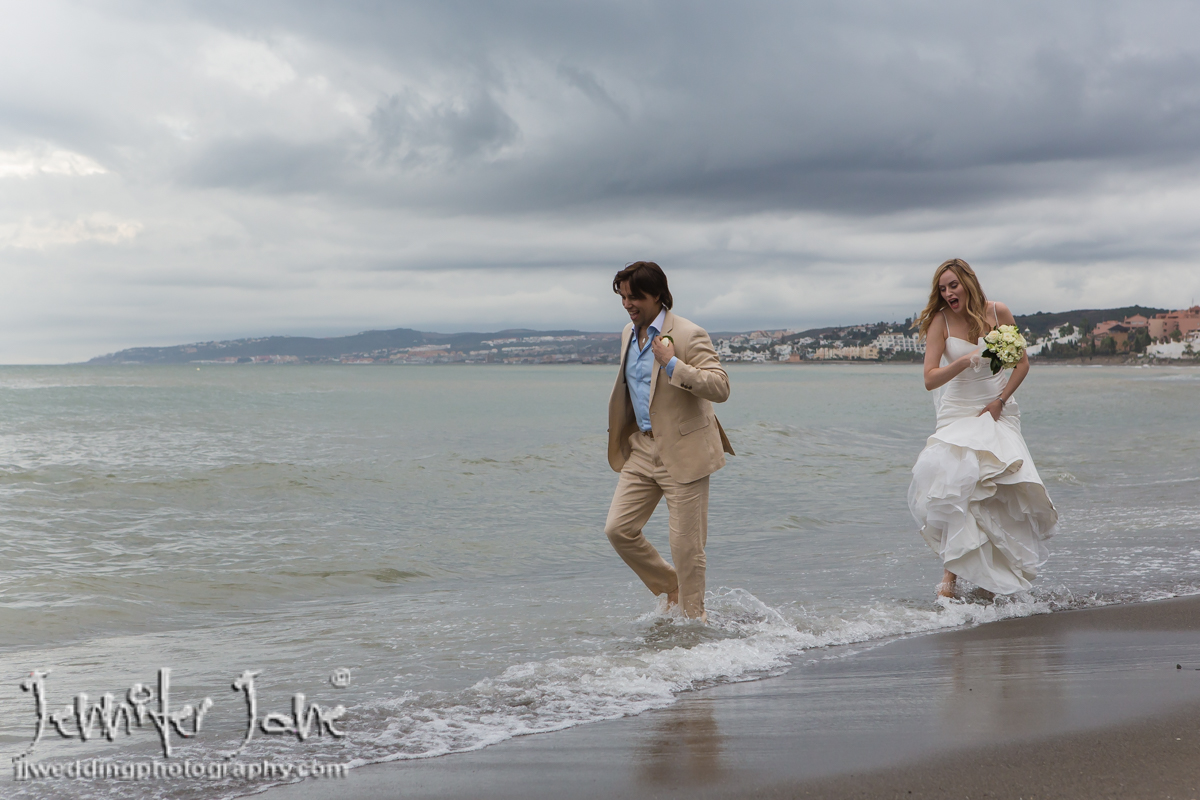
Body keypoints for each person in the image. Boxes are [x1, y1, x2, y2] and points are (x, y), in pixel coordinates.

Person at [908, 258, 1058, 598]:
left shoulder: (998, 312)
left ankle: (993, 581)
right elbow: (930, 379)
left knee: (998, 489)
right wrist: (962, 361)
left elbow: (1022, 364)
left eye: (953, 286)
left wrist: (1000, 401)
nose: (948, 293)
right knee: (961, 486)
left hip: (998, 408)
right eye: (942, 288)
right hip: (958, 412)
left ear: (968, 282)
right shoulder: (939, 322)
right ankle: (950, 578)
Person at [604, 261, 734, 621]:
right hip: (642, 449)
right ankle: (671, 587)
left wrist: (673, 364)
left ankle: (695, 625)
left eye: (636, 297)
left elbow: (720, 387)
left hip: (686, 453)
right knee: (618, 530)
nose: (628, 304)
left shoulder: (690, 334)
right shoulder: (628, 334)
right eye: (624, 297)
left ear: (657, 295)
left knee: (686, 548)